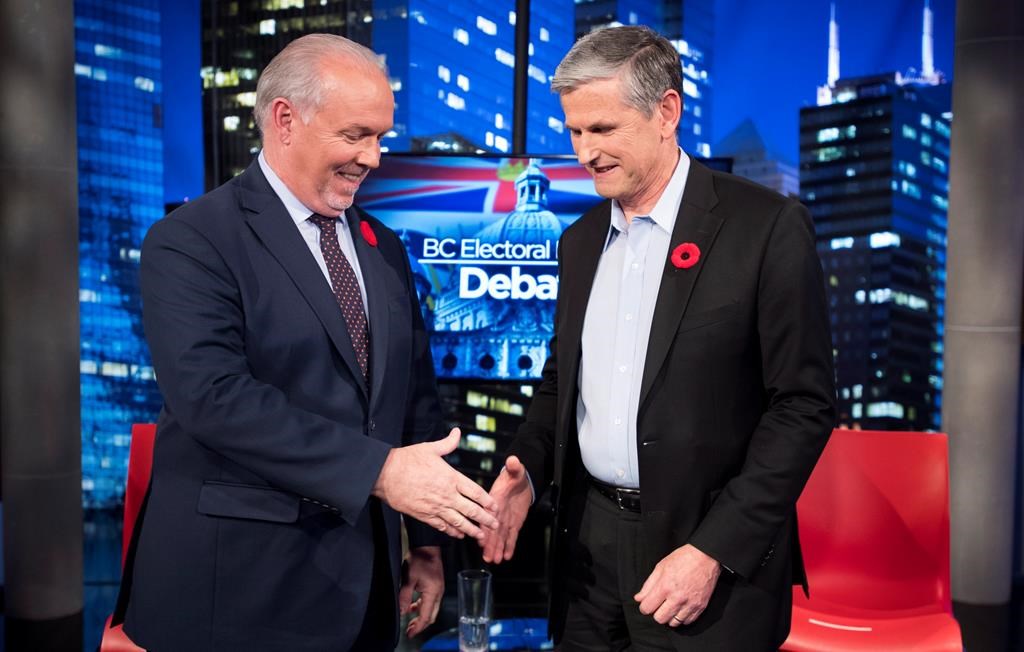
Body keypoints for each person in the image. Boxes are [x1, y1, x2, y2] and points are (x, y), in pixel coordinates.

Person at [112, 34, 499, 651]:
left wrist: (428, 546)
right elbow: (212, 397)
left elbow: (413, 400)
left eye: (381, 137)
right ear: (284, 120)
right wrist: (381, 471)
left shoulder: (385, 247)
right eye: (355, 135)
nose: (373, 157)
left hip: (365, 595)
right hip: (237, 595)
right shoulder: (192, 238)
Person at [481, 25, 837, 651]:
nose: (585, 152)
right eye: (575, 131)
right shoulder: (580, 241)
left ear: (666, 111)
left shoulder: (767, 227)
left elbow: (803, 407)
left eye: (604, 129)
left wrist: (713, 550)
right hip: (587, 554)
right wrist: (529, 469)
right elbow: (564, 381)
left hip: (706, 557)